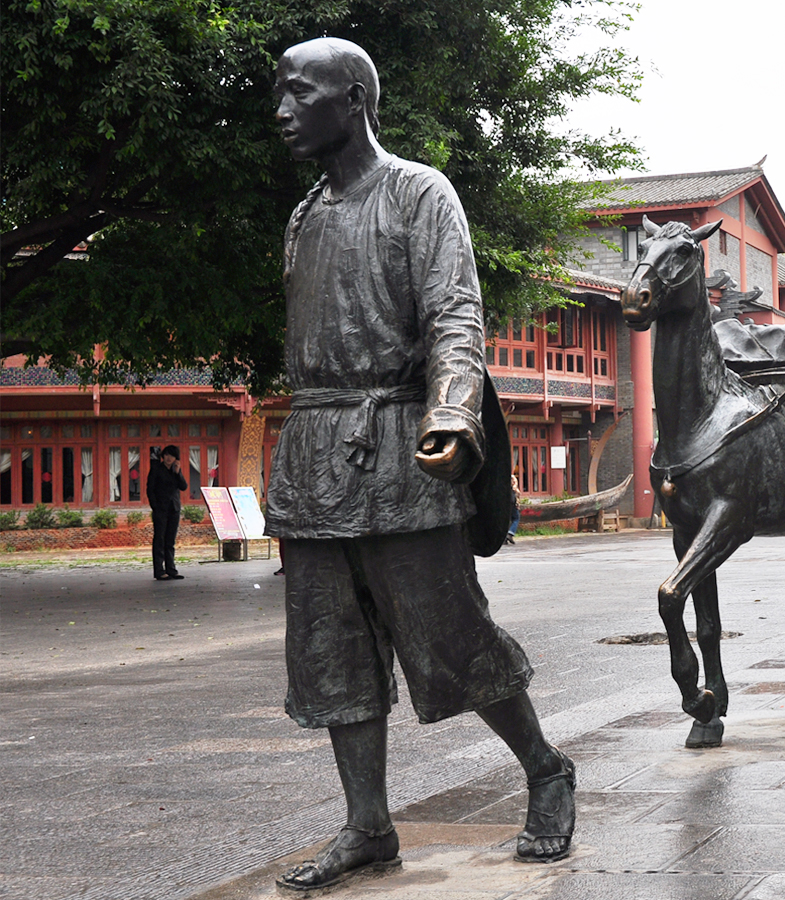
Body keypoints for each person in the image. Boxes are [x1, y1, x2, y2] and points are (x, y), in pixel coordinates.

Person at [266, 38, 572, 891]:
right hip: (318, 455)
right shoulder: (303, 215)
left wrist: (449, 414)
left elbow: (454, 318)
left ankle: (546, 768)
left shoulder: (419, 193)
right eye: (280, 95)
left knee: (452, 638)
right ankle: (368, 825)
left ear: (354, 98)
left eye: (299, 94)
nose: (281, 111)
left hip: (403, 450)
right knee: (332, 655)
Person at [147, 445, 187, 580]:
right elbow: (150, 489)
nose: (169, 458)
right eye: (167, 455)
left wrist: (178, 472)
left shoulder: (175, 471)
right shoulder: (156, 469)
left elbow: (183, 486)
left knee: (170, 540)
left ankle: (171, 569)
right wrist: (155, 507)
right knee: (160, 540)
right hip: (160, 509)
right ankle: (159, 571)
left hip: (174, 508)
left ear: (176, 458)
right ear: (163, 456)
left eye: (172, 455)